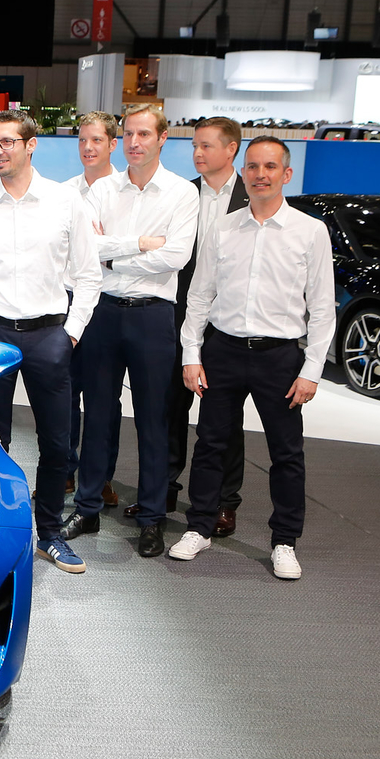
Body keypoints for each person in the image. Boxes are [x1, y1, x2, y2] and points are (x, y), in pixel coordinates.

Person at [0, 109, 101, 574]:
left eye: (7, 141)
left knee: (57, 444)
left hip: (50, 334)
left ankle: (49, 534)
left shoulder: (65, 202)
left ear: (31, 146)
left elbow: (89, 276)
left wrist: (71, 333)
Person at [170, 137, 335, 580]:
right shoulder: (223, 229)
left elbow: (322, 308)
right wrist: (191, 353)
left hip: (280, 357)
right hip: (222, 351)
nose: (261, 174)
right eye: (253, 166)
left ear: (287, 174)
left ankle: (285, 541)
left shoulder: (310, 231)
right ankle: (199, 527)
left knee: (287, 453)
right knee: (210, 444)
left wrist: (311, 371)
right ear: (243, 172)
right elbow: (199, 295)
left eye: (270, 166)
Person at [63, 104, 198, 558]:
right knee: (98, 414)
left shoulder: (182, 193)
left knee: (153, 420)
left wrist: (113, 258)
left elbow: (175, 256)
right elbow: (86, 247)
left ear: (162, 138)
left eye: (144, 134)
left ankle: (152, 518)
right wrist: (139, 244)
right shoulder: (103, 189)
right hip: (103, 312)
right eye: (129, 135)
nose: (134, 142)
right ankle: (87, 507)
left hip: (153, 316)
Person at [152, 116, 250, 534]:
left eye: (206, 145)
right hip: (179, 314)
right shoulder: (182, 194)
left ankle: (224, 502)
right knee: (170, 407)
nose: (197, 153)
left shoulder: (252, 197)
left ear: (231, 149)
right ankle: (163, 490)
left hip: (230, 321)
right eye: (194, 145)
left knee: (224, 416)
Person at [64, 111, 124, 505]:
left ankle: (101, 477)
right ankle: (65, 473)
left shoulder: (125, 190)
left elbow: (129, 248)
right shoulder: (63, 192)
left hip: (108, 302)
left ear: (113, 144)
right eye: (83, 140)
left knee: (105, 399)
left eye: (97, 140)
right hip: (67, 300)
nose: (88, 147)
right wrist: (103, 244)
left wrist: (106, 245)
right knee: (64, 394)